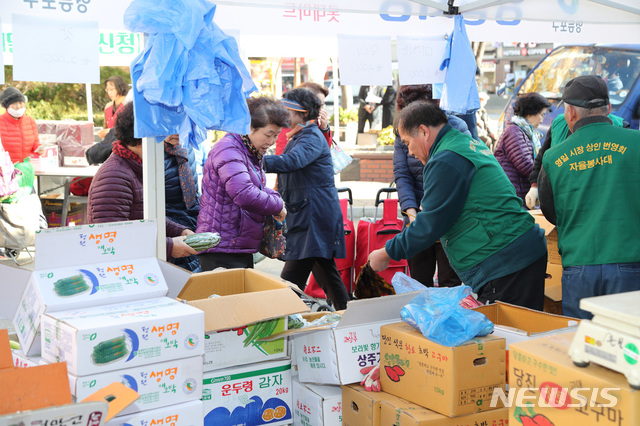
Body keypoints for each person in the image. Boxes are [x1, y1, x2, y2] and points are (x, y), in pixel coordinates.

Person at [370, 101, 547, 310]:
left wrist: (387, 252)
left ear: (424, 132)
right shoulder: (463, 143)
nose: (409, 152)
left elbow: (431, 223)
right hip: (516, 253)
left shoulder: (446, 158)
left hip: (505, 262)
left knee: (508, 336)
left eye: (408, 142)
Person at [538, 75, 640, 319]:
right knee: (628, 347)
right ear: (609, 109)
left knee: (581, 346)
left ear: (570, 113)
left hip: (579, 265)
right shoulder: (636, 143)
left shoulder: (553, 157)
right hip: (630, 261)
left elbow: (550, 212)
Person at [263, 88, 349, 310]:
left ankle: (281, 318)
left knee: (291, 280)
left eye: (287, 111)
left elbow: (292, 161)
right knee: (327, 274)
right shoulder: (301, 135)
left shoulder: (310, 137)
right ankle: (348, 318)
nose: (283, 115)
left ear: (302, 113)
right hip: (310, 215)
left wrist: (256, 160)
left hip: (314, 217)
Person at [87, 102, 197, 261]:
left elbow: (147, 217)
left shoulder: (139, 166)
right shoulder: (113, 177)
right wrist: (169, 247)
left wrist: (179, 231)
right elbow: (111, 239)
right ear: (142, 136)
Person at [196, 96, 288, 271]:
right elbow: (244, 193)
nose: (272, 142)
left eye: (276, 136)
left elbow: (255, 186)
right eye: (268, 135)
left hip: (236, 243)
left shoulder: (247, 150)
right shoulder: (228, 150)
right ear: (250, 127)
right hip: (221, 246)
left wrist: (275, 197)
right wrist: (277, 205)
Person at [393, 84, 468, 288]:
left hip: (448, 217)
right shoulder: (403, 132)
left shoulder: (455, 129)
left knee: (449, 281)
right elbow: (402, 174)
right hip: (417, 214)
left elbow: (458, 175)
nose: (410, 151)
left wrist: (433, 209)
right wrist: (411, 210)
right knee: (418, 281)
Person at [493, 93, 550, 206]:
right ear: (530, 113)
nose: (542, 120)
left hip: (519, 193)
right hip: (512, 195)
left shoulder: (526, 132)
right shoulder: (514, 132)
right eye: (542, 115)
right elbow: (525, 166)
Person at [164, 134, 201, 272]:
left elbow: (193, 191)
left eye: (180, 126)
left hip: (189, 227)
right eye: (170, 127)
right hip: (170, 233)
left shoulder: (187, 148)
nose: (176, 133)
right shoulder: (150, 155)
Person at [275, 81, 331, 155]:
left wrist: (324, 129)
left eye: (321, 105)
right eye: (316, 105)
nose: (319, 109)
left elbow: (325, 148)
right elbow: (282, 152)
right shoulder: (291, 120)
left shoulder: (313, 122)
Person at [0, 87, 42, 163]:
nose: (18, 106)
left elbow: (35, 143)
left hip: (25, 168)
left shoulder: (30, 121)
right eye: (14, 103)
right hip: (6, 170)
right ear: (7, 106)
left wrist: (40, 149)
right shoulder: (1, 122)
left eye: (20, 103)